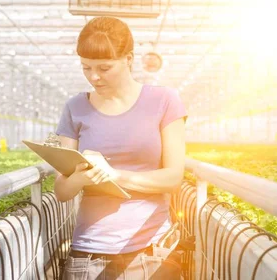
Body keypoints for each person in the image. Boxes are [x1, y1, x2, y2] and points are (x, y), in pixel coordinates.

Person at [53, 16, 187, 280]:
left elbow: (173, 177)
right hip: (88, 255)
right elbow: (61, 190)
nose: (94, 77)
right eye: (86, 67)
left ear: (129, 59)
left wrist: (114, 174)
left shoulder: (164, 101)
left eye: (104, 68)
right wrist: (82, 176)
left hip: (151, 251)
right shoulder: (75, 108)